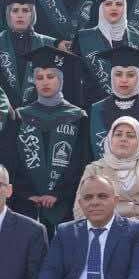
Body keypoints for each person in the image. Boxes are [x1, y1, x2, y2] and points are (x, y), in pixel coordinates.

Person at [7, 46, 88, 234]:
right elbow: (13, 159)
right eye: (39, 77)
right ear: (34, 81)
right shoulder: (20, 116)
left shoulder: (78, 116)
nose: (45, 82)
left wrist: (59, 193)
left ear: (61, 79)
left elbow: (80, 161)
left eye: (50, 76)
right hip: (27, 204)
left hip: (66, 203)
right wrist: (28, 193)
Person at [76, 116, 139, 245]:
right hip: (103, 231)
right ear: (110, 139)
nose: (123, 139)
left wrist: (137, 228)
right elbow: (80, 208)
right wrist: (108, 229)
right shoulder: (94, 169)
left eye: (130, 136)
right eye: (118, 134)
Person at [76, 0, 139, 107]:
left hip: (133, 109)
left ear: (125, 7)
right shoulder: (83, 39)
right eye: (108, 4)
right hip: (93, 108)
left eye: (119, 4)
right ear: (100, 8)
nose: (114, 8)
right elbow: (76, 80)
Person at [85, 45, 139, 162]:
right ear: (111, 76)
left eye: (130, 75)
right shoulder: (95, 110)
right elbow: (87, 156)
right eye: (118, 74)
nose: (124, 80)